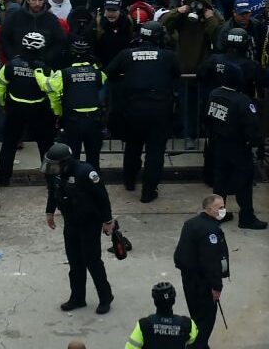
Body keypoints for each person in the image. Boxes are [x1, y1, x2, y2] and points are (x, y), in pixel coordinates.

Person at [105, 21, 181, 202]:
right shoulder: (168, 56)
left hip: (133, 107)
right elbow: (177, 74)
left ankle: (129, 181)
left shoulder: (127, 55)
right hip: (159, 108)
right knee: (155, 152)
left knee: (132, 146)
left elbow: (109, 72)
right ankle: (148, 191)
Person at [43, 143, 115, 314]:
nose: (51, 169)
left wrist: (107, 221)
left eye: (54, 165)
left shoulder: (86, 172)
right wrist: (49, 212)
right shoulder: (56, 175)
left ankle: (105, 297)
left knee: (93, 261)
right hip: (70, 223)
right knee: (75, 263)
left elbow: (102, 198)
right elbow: (53, 193)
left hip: (89, 224)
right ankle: (77, 298)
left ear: (65, 162)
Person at [203, 64, 267, 229]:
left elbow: (207, 119)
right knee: (244, 183)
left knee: (220, 181)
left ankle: (217, 214)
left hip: (218, 144)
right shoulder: (242, 101)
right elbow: (253, 128)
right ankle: (246, 218)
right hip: (238, 147)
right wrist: (256, 143)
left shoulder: (214, 94)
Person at [0, 32, 55, 186]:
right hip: (39, 109)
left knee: (9, 144)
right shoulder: (45, 68)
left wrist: (3, 104)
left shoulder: (11, 65)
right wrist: (56, 111)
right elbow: (54, 91)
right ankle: (51, 179)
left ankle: (2, 178)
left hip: (15, 109)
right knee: (46, 145)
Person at [38, 38, 107, 169]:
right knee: (94, 159)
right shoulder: (98, 73)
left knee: (71, 159)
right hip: (94, 121)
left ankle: (72, 185)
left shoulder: (63, 73)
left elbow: (49, 86)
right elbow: (101, 88)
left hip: (72, 121)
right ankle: (94, 184)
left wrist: (39, 73)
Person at [173, 195, 230, 349]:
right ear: (209, 209)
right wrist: (217, 286)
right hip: (203, 283)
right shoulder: (211, 231)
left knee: (196, 316)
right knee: (205, 320)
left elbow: (179, 254)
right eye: (220, 207)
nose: (223, 210)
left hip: (189, 280)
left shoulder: (190, 224)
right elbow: (211, 262)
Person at [123, 282, 198, 348]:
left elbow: (130, 347)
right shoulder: (187, 324)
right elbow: (192, 339)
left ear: (155, 302)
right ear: (173, 300)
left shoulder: (143, 325)